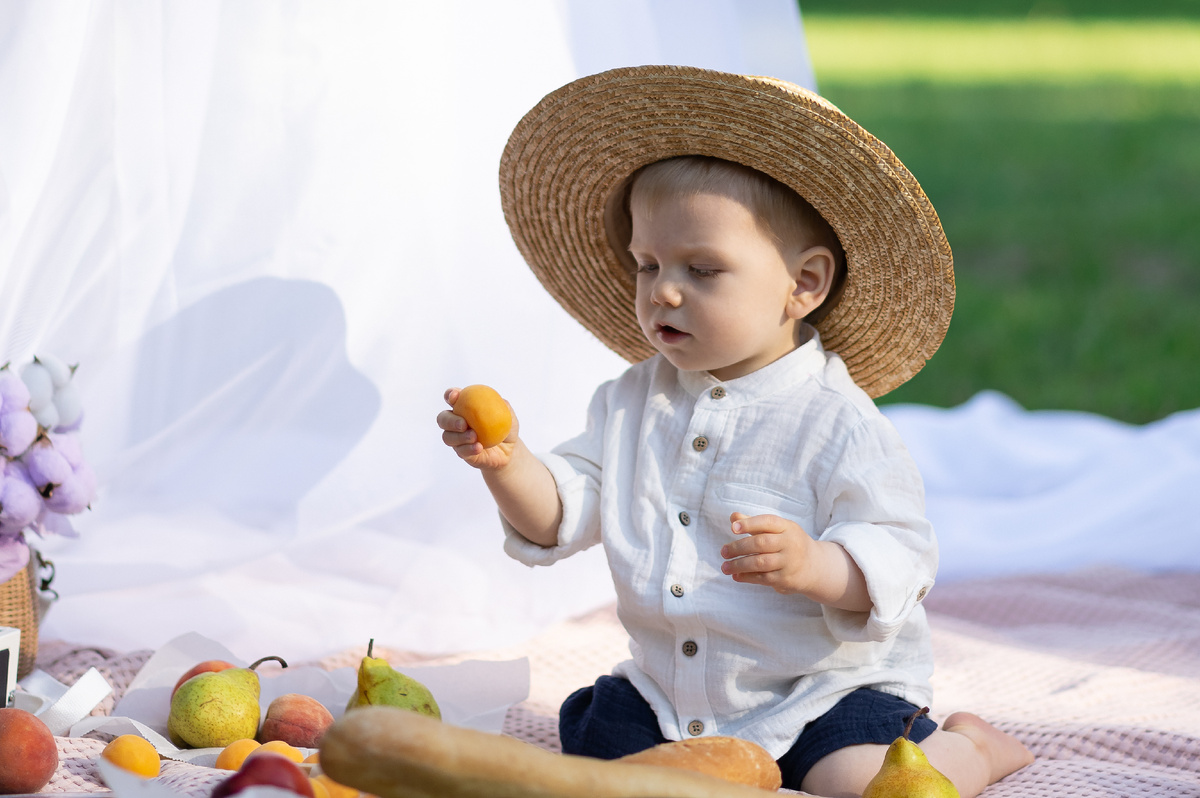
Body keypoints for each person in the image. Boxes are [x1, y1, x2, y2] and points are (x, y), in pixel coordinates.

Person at [438, 66, 1034, 796]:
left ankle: (971, 748)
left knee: (863, 785)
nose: (663, 289)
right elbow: (566, 510)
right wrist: (507, 464)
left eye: (702, 268)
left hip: (820, 693)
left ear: (803, 285)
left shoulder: (835, 419)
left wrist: (817, 565)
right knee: (597, 756)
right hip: (676, 698)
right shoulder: (630, 401)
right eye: (647, 263)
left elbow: (900, 555)